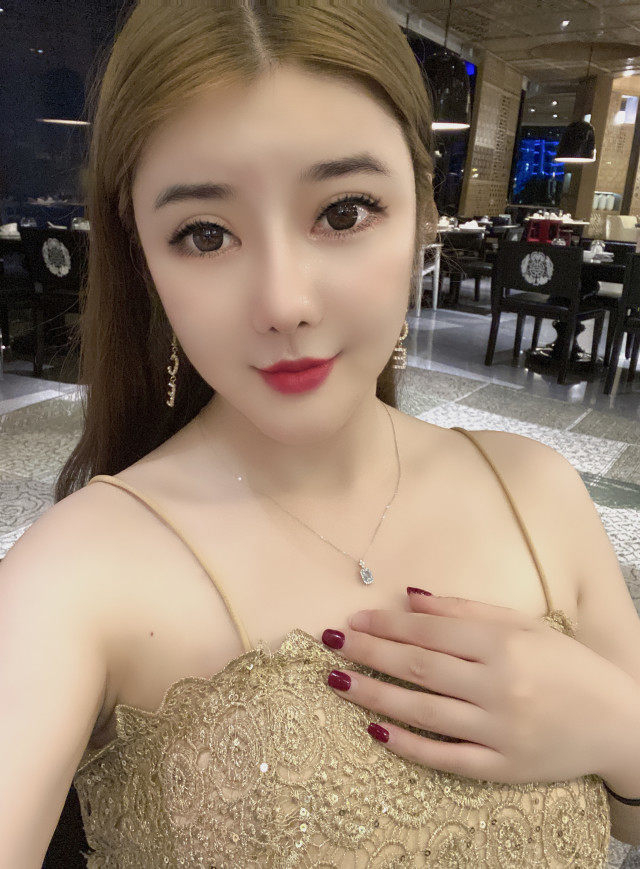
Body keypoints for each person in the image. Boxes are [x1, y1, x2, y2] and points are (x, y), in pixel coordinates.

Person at [2, 1, 637, 865]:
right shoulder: (75, 573)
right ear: (143, 257)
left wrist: (617, 727)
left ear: (423, 214)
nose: (284, 303)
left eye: (343, 213)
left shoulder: (539, 494)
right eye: (205, 233)